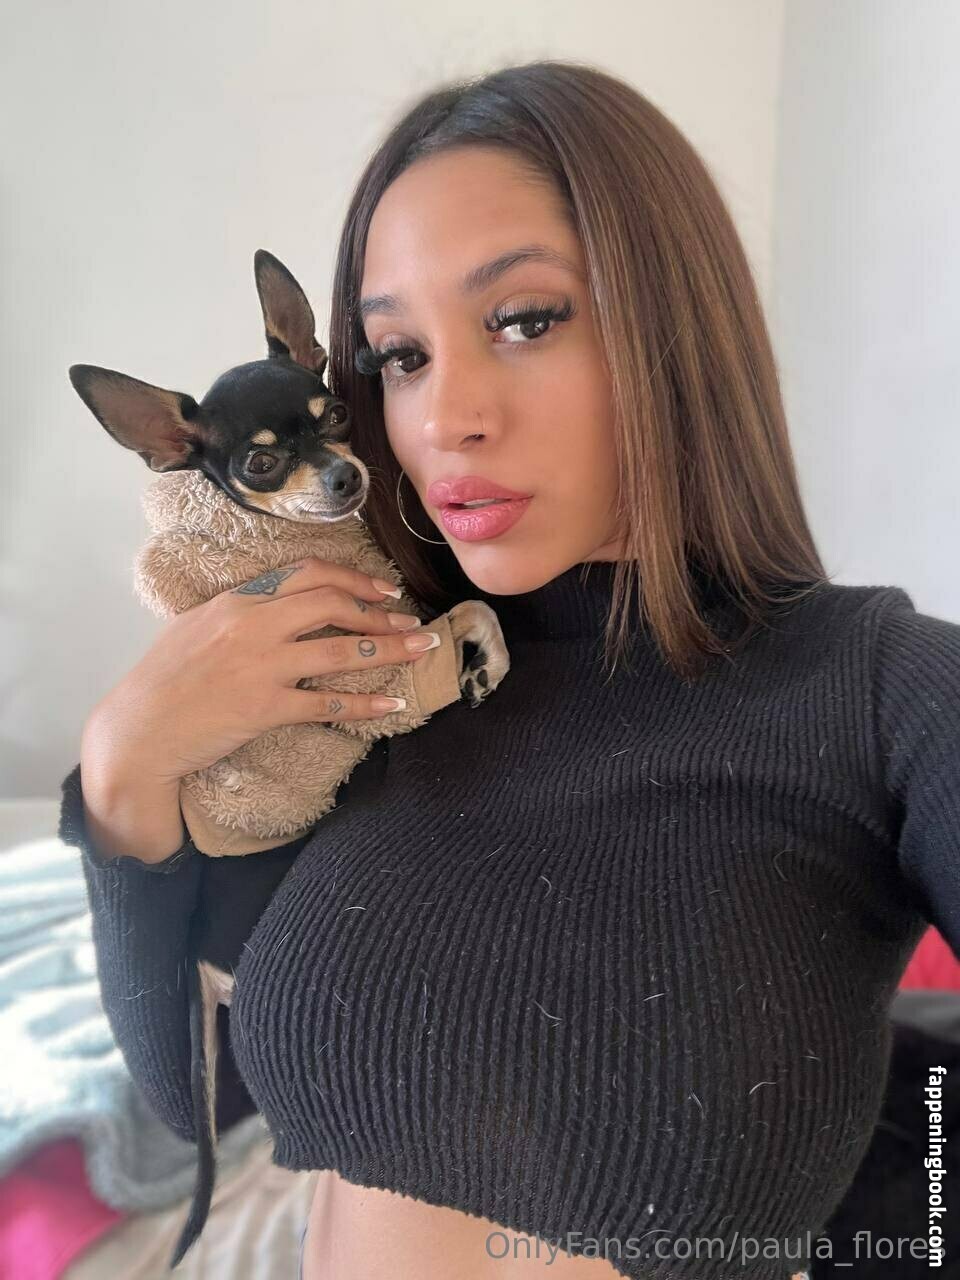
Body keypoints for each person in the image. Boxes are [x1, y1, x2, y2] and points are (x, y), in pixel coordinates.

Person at [58, 59, 959, 1280]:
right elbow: (199, 1100)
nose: (444, 418)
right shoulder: (393, 685)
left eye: (526, 319)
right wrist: (125, 764)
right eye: (399, 354)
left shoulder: (884, 692)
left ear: (674, 324)